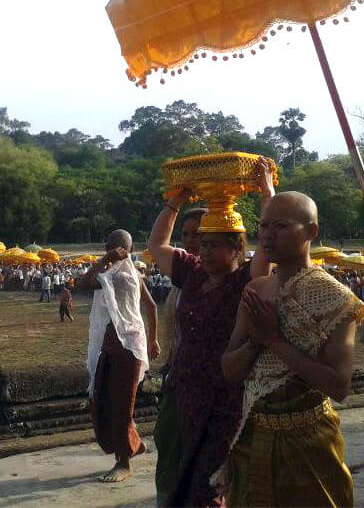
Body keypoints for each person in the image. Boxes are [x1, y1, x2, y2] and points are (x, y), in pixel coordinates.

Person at [219, 192, 364, 506]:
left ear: (311, 232)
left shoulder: (337, 299)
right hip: (253, 432)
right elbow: (230, 370)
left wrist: (275, 341)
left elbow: (339, 386)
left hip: (309, 438)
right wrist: (258, 342)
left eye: (281, 226)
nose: (268, 235)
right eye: (264, 226)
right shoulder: (256, 290)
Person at [148, 157, 274, 507]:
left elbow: (268, 244)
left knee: (211, 477)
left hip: (225, 393)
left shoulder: (244, 280)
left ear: (237, 249)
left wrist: (267, 192)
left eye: (215, 245)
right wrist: (175, 200)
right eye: (203, 244)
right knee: (188, 466)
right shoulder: (191, 273)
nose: (204, 251)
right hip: (187, 387)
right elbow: (157, 244)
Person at [78, 229, 161, 483]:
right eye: (110, 246)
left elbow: (151, 306)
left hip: (129, 346)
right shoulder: (106, 273)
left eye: (119, 247)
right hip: (109, 345)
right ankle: (134, 445)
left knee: (122, 404)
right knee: (103, 398)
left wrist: (152, 339)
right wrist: (104, 261)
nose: (114, 250)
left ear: (129, 250)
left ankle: (124, 462)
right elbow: (83, 283)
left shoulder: (131, 275)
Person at [153, 206, 206, 507]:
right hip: (177, 375)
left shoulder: (226, 277)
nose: (190, 240)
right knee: (171, 451)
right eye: (185, 234)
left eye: (198, 234)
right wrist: (174, 202)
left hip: (211, 382)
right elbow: (158, 245)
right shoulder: (183, 276)